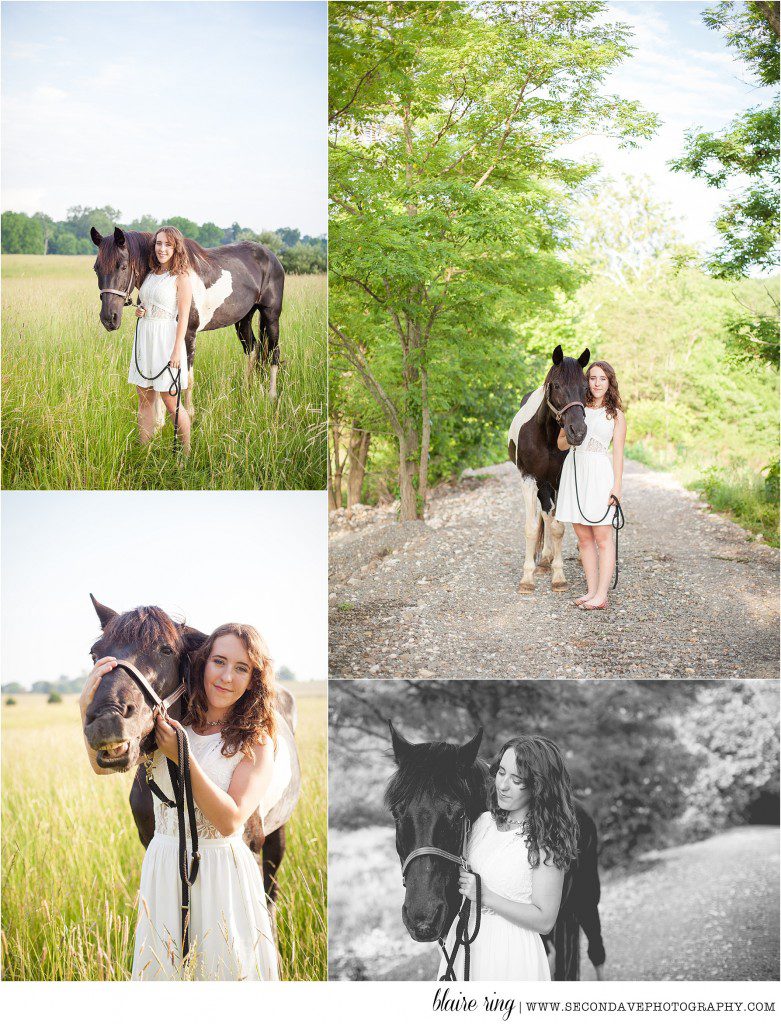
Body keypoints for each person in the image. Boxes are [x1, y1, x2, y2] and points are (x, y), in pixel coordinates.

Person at [80, 624, 281, 981]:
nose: (226, 677)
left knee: (227, 971)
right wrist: (85, 710)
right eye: (219, 661)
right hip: (164, 866)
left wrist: (182, 756)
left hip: (221, 872)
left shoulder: (257, 739)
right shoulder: (170, 724)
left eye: (241, 668)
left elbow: (231, 820)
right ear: (202, 662)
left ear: (254, 678)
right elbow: (101, 766)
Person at [439, 735, 579, 981]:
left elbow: (545, 920)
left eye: (517, 780)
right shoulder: (482, 823)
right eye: (501, 772)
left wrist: (486, 896)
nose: (503, 785)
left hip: (510, 954)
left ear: (539, 786)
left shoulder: (544, 841)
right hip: (466, 943)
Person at [556, 360, 626, 610]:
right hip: (575, 471)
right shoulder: (577, 407)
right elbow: (561, 445)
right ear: (587, 381)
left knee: (603, 538)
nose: (597, 383)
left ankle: (602, 595)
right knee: (584, 538)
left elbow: (618, 454)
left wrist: (616, 487)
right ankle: (592, 591)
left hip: (599, 474)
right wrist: (569, 436)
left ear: (609, 382)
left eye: (602, 379)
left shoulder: (616, 415)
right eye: (593, 378)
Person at [128, 225, 193, 453]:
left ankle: (186, 454)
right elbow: (148, 303)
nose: (162, 249)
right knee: (144, 400)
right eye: (158, 243)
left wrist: (177, 351)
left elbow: (183, 317)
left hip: (166, 342)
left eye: (168, 244)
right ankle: (144, 452)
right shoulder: (151, 274)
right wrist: (141, 310)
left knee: (171, 402)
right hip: (145, 339)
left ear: (176, 248)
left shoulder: (181, 277)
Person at [542, 800, 606, 980]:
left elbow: (587, 880)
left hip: (574, 891)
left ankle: (599, 973)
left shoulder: (575, 813)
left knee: (585, 915)